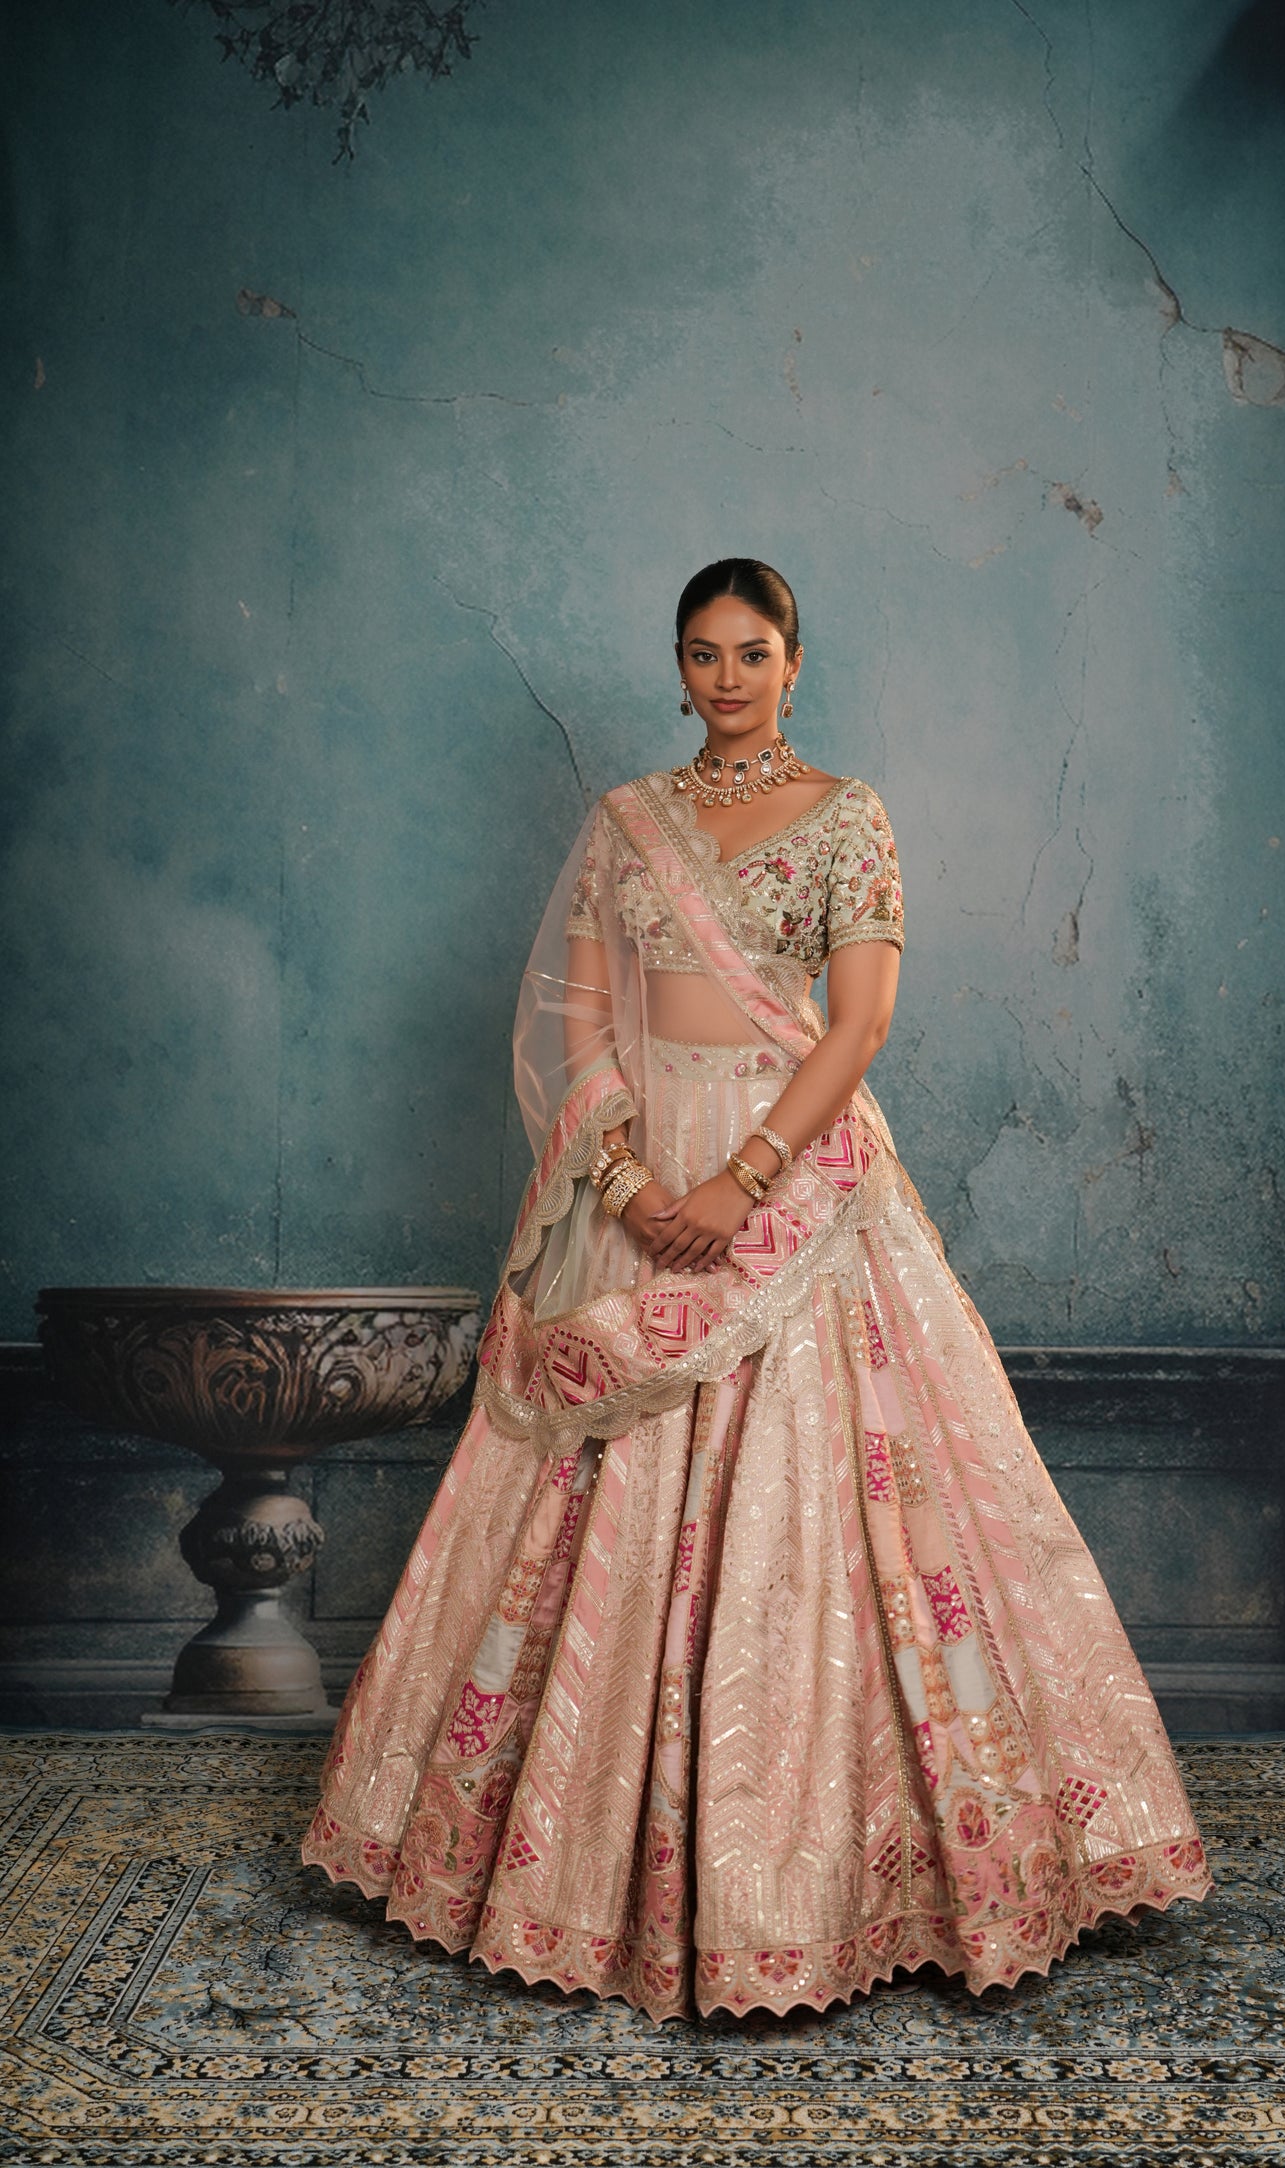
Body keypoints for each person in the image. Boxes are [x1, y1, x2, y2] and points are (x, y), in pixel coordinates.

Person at [301, 557, 1212, 2023]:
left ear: (795, 662)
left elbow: (857, 1028)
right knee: (584, 1500)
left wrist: (742, 1183)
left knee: (864, 1512)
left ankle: (856, 1884)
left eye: (753, 651)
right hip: (638, 1184)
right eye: (702, 653)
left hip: (802, 1193)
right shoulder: (626, 825)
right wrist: (630, 1188)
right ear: (679, 669)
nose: (727, 677)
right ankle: (562, 1878)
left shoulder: (850, 818)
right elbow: (577, 1020)